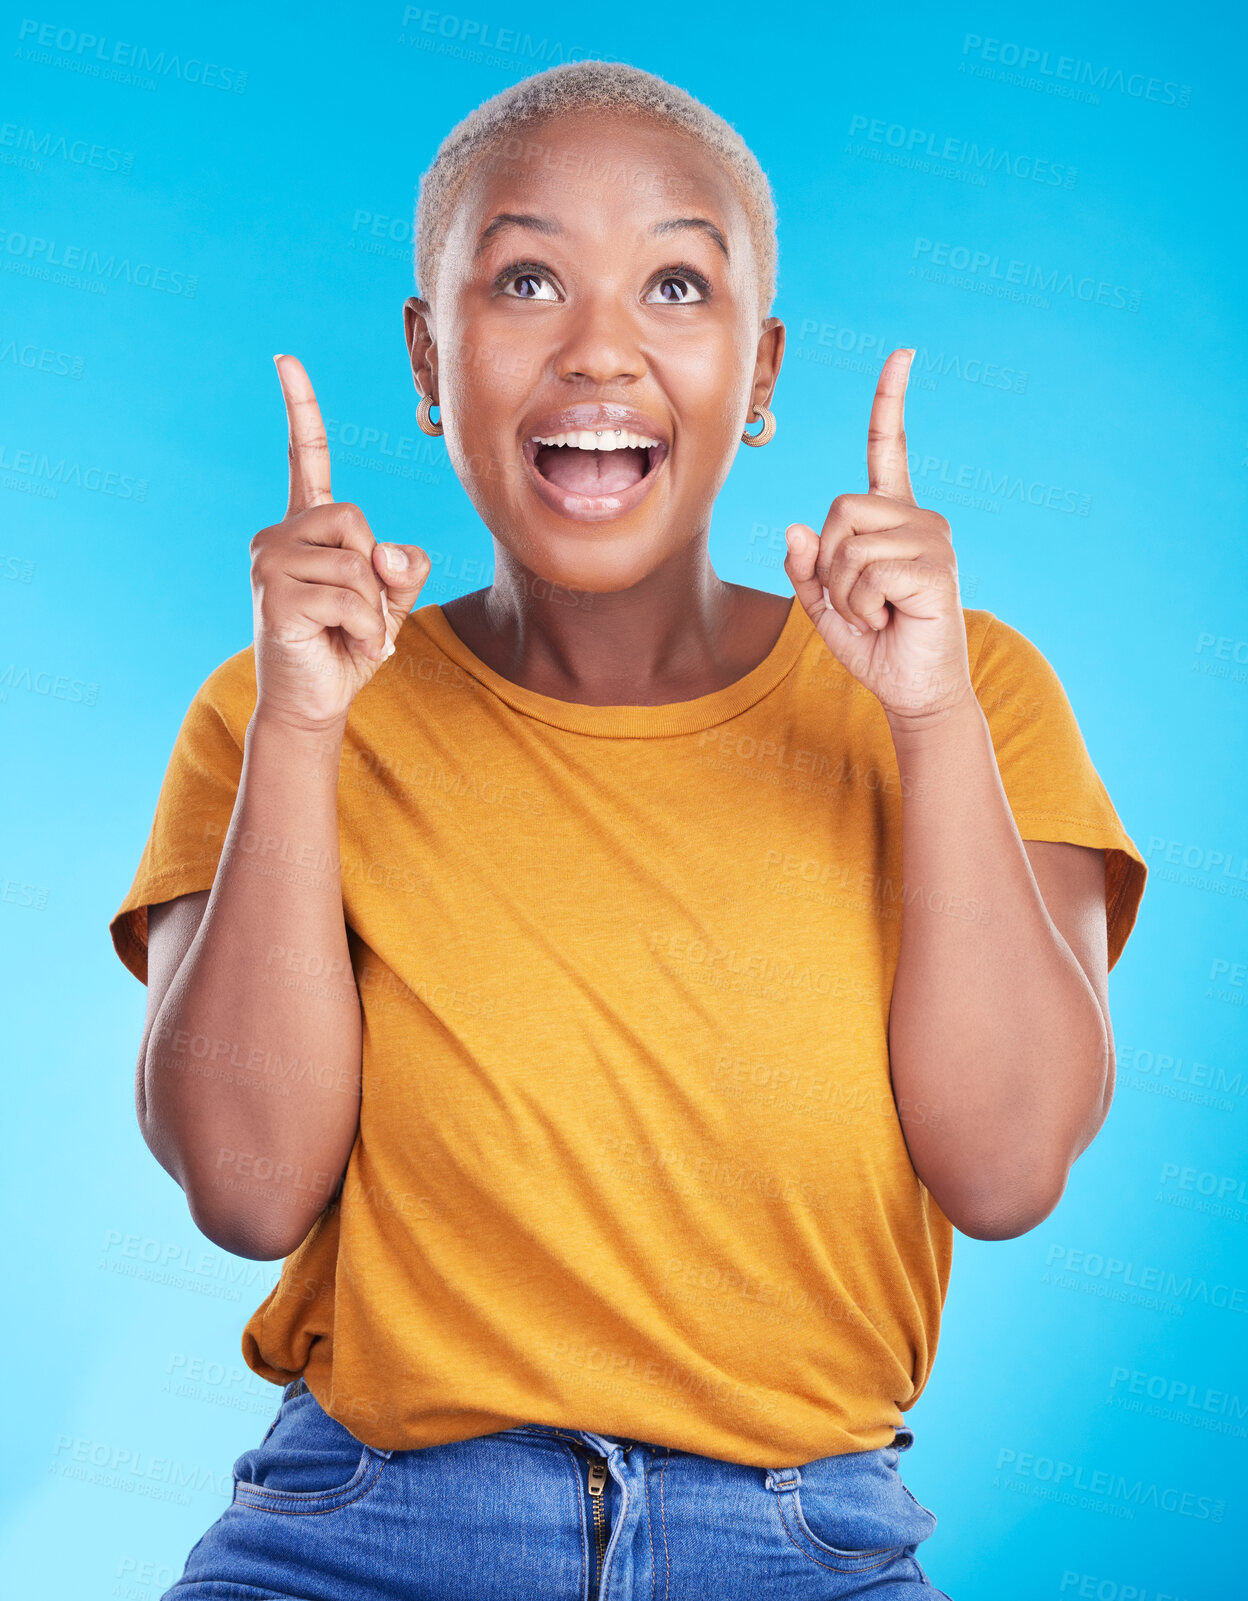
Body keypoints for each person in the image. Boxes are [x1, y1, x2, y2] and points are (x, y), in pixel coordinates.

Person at [109, 59, 1147, 1601]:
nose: (600, 349)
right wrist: (300, 731)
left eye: (676, 283)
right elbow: (248, 1186)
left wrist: (928, 722)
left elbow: (1003, 1170)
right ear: (428, 358)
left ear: (764, 364)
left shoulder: (967, 685)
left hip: (802, 1541)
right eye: (528, 279)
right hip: (366, 1530)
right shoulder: (280, 710)